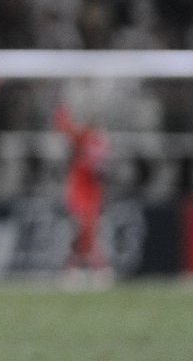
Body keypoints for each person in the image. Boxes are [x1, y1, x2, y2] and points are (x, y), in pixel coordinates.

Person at [53, 105, 111, 283]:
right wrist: (61, 114)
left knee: (89, 230)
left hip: (92, 192)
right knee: (84, 229)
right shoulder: (83, 137)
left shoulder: (101, 142)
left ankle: (76, 268)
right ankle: (93, 268)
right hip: (78, 190)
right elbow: (67, 130)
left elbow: (101, 170)